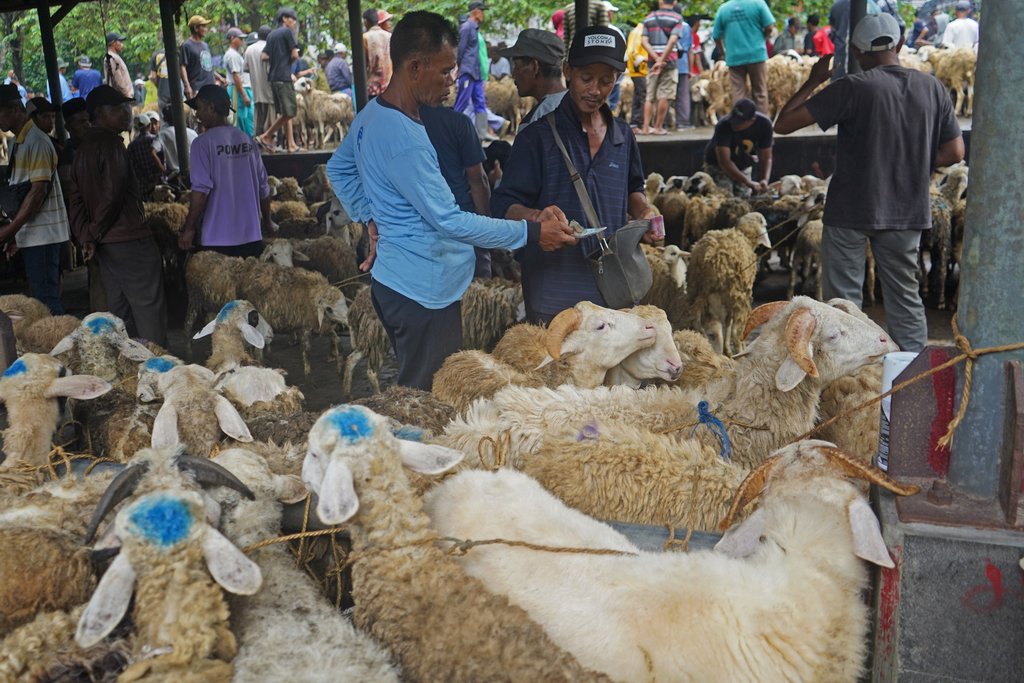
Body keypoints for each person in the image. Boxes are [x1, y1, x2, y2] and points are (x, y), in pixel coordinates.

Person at [327, 11, 576, 390]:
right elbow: (450, 220)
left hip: (399, 281)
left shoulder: (372, 115)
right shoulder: (405, 140)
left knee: (421, 390)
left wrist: (370, 218)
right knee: (428, 401)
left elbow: (338, 169)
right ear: (414, 67)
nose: (452, 80)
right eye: (444, 71)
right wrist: (531, 232)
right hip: (423, 293)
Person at [775, 13, 964, 353]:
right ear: (901, 44)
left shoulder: (851, 87)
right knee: (905, 299)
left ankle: (848, 387)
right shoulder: (931, 87)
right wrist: (913, 158)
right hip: (906, 210)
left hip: (850, 211)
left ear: (858, 53)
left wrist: (813, 80)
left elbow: (784, 124)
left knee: (842, 305)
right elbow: (954, 151)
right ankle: (909, 382)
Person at [493, 26, 659, 324]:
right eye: (586, 78)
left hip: (611, 290)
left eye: (606, 81)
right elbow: (503, 203)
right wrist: (537, 218)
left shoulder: (623, 136)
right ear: (568, 71)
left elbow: (634, 188)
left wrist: (645, 212)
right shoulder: (537, 137)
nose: (595, 90)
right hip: (553, 291)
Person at [68, 86, 167, 343]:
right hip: (129, 239)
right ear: (98, 114)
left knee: (120, 309)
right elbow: (112, 194)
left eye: (126, 108)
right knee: (148, 307)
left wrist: (86, 236)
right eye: (117, 110)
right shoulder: (112, 145)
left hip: (106, 244)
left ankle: (128, 366)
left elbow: (76, 198)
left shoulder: (83, 149)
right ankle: (159, 367)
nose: (126, 114)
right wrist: (93, 231)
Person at [178, 85, 273, 258]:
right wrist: (267, 221)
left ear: (211, 108)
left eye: (198, 108)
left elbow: (200, 191)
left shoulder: (202, 144)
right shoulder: (248, 141)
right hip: (252, 237)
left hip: (217, 240)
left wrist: (189, 228)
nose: (197, 114)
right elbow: (263, 188)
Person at [0, 87, 70, 314]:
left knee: (47, 298)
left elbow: (37, 192)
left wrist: (11, 229)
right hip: (32, 235)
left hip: (44, 235)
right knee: (41, 297)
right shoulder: (17, 143)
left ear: (13, 110)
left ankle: (59, 344)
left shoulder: (37, 141)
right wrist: (17, 236)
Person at [421, 104, 494, 276]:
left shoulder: (400, 122)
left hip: (420, 223)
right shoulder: (459, 122)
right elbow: (478, 180)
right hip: (461, 220)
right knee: (476, 291)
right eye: (445, 75)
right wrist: (486, 228)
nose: (451, 82)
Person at [713, 0, 774, 115]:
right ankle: (761, 123)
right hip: (756, 54)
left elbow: (716, 35)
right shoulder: (758, 3)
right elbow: (769, 26)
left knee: (738, 91)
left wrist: (723, 52)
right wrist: (763, 39)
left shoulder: (723, 8)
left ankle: (741, 123)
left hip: (734, 56)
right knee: (760, 91)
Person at [702, 98, 772, 197]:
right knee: (724, 198)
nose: (734, 123)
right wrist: (748, 182)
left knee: (744, 200)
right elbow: (724, 162)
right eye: (733, 119)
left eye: (739, 122)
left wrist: (764, 179)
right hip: (718, 166)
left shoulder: (764, 124)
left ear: (751, 121)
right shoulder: (724, 125)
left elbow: (766, 157)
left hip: (743, 164)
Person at [503, 29, 566, 129]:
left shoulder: (533, 124)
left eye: (517, 66)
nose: (514, 74)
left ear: (534, 67)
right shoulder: (577, 105)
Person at [259, 8, 301, 153]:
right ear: (284, 19)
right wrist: (286, 58)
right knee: (290, 112)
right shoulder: (287, 32)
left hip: (273, 78)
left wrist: (278, 56)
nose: (294, 22)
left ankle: (291, 145)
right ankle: (266, 135)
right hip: (284, 77)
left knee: (284, 112)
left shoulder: (271, 35)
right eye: (292, 19)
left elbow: (263, 56)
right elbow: (295, 55)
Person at [638, 0, 682, 136]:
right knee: (665, 94)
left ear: (660, 1)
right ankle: (658, 127)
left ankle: (645, 128)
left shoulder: (649, 17)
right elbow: (673, 40)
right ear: (674, 2)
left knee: (649, 96)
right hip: (669, 62)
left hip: (652, 63)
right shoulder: (677, 18)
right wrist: (662, 60)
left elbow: (644, 42)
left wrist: (656, 59)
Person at [830, 0, 904, 80]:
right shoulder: (872, 6)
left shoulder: (836, 6)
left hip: (841, 64)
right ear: (900, 44)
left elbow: (833, 28)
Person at [456, 2, 494, 141]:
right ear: (475, 12)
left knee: (480, 102)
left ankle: (482, 133)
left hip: (476, 72)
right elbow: (460, 50)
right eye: (482, 11)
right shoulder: (466, 27)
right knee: (462, 102)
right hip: (467, 71)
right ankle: (452, 131)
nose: (483, 14)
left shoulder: (475, 28)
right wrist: (458, 68)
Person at [181, 15, 223, 100]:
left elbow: (207, 66)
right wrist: (187, 86)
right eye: (203, 26)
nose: (206, 29)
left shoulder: (205, 45)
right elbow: (182, 66)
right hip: (197, 89)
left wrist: (220, 78)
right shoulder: (187, 46)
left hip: (211, 87)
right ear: (196, 28)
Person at [223, 27, 254, 136]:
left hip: (243, 88)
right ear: (232, 38)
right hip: (238, 90)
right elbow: (236, 76)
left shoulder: (236, 54)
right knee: (238, 118)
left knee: (247, 117)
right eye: (239, 38)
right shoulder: (231, 55)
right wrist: (244, 95)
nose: (242, 41)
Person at [154, 104, 198, 180]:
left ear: (165, 119)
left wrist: (164, 171)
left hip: (175, 177)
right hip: (194, 174)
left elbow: (152, 152)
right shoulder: (192, 133)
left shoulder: (163, 134)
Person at [127, 113, 165, 200]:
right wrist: (155, 180)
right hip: (159, 186)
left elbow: (131, 169)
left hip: (143, 188)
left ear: (136, 128)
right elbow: (163, 161)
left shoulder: (131, 146)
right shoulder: (156, 140)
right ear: (149, 125)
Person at [246, 25, 274, 137]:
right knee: (270, 115)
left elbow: (246, 68)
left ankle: (257, 138)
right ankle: (269, 139)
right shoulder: (269, 47)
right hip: (268, 87)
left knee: (258, 115)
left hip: (256, 88)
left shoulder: (249, 49)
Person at [624, 20, 648, 132]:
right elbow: (633, 51)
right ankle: (639, 124)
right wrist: (642, 62)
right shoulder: (640, 31)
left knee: (638, 96)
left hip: (637, 70)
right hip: (639, 70)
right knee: (643, 96)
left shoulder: (636, 30)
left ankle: (635, 124)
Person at [363, 8, 392, 97]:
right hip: (389, 86)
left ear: (365, 21)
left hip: (372, 89)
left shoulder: (364, 38)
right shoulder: (390, 36)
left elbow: (363, 64)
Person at [674, 12, 694, 130]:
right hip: (683, 63)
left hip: (667, 61)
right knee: (683, 94)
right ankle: (682, 122)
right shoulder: (686, 27)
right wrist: (690, 69)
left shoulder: (666, 21)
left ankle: (665, 122)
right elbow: (690, 50)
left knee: (666, 93)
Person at [103, 32, 134, 99]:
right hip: (121, 98)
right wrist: (127, 94)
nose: (122, 45)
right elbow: (117, 79)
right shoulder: (112, 57)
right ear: (113, 43)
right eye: (120, 42)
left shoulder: (115, 57)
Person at [148, 48, 173, 112]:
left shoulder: (156, 55)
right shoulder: (178, 53)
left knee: (164, 117)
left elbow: (153, 77)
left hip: (162, 94)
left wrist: (159, 87)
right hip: (177, 93)